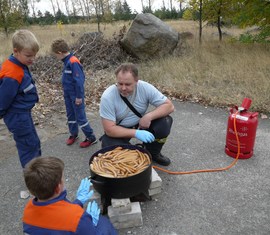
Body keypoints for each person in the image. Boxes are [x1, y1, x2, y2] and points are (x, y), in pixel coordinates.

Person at [99, 63, 174, 166]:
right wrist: (136, 133)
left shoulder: (145, 88)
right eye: (120, 84)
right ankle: (129, 150)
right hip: (119, 129)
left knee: (165, 122)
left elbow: (169, 106)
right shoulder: (108, 97)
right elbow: (109, 129)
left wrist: (149, 116)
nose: (123, 88)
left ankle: (153, 153)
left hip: (141, 124)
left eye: (128, 84)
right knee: (114, 152)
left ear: (136, 81)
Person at [23, 156, 118, 234]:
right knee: (104, 223)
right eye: (62, 179)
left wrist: (79, 201)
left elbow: (56, 215)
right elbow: (69, 219)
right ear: (58, 188)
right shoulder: (78, 218)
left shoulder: (27, 211)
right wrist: (90, 223)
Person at [0, 29, 41, 169]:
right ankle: (33, 176)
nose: (33, 59)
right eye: (29, 55)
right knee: (28, 145)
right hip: (17, 116)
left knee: (33, 142)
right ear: (16, 51)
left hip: (23, 113)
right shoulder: (12, 73)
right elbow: (3, 99)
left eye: (34, 55)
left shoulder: (19, 64)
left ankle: (37, 168)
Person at [51, 39, 97, 148]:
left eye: (55, 55)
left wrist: (79, 97)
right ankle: (74, 134)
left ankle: (91, 137)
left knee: (80, 117)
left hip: (76, 96)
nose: (56, 57)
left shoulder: (73, 62)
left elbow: (79, 81)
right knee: (70, 115)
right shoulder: (66, 62)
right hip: (68, 95)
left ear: (59, 52)